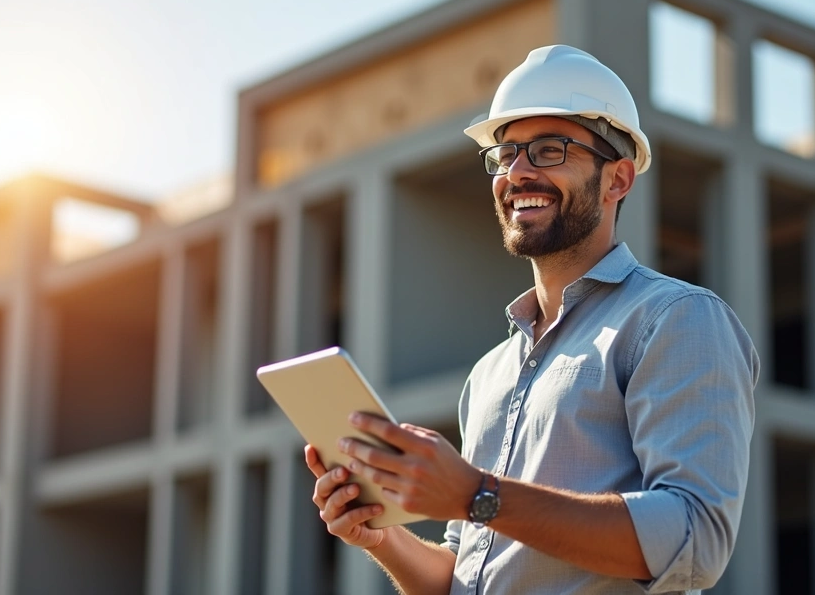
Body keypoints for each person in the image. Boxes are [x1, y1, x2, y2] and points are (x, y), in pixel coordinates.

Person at [305, 44, 759, 594]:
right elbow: (466, 576)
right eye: (506, 154)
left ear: (617, 179)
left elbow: (695, 542)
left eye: (549, 150)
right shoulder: (491, 373)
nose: (517, 172)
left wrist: (477, 494)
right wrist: (382, 537)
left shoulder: (676, 321)